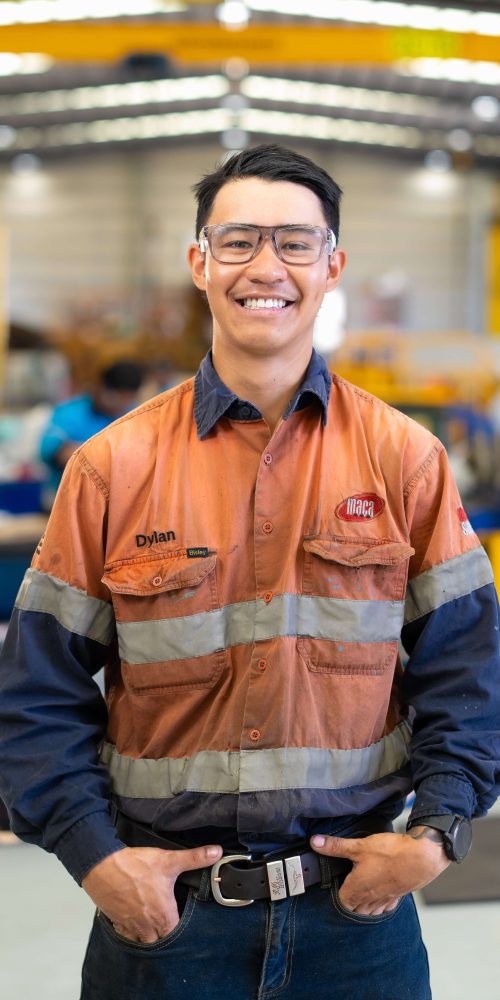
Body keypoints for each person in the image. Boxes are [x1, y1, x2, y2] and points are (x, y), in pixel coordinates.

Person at [0, 144, 499, 1000]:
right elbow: (35, 689)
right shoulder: (111, 467)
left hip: (357, 926)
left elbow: (470, 671)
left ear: (332, 265)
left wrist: (436, 833)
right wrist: (97, 859)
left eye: (296, 242)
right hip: (163, 930)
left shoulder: (404, 460)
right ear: (200, 262)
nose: (266, 266)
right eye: (238, 241)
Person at [39, 359, 145, 495]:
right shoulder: (69, 412)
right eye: (116, 399)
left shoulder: (135, 417)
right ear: (101, 388)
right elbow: (53, 451)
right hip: (67, 497)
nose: (120, 406)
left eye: (127, 400)